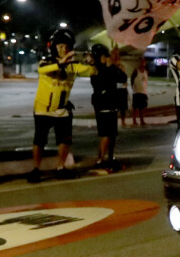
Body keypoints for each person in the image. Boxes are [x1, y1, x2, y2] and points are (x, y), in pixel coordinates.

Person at [29, 28, 96, 182]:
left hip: (62, 110)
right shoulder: (46, 61)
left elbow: (90, 71)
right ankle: (36, 169)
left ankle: (61, 167)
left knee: (64, 140)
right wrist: (60, 63)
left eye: (66, 46)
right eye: (59, 46)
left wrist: (92, 62)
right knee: (39, 140)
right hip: (43, 109)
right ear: (53, 47)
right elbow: (42, 70)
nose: (63, 49)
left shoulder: (72, 66)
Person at [90, 44, 125, 170]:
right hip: (102, 104)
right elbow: (100, 83)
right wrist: (110, 67)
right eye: (105, 56)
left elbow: (122, 78)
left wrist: (114, 66)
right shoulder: (95, 70)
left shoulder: (110, 68)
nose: (107, 58)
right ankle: (100, 159)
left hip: (111, 103)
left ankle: (110, 157)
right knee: (105, 133)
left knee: (112, 134)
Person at [130, 58, 149, 127]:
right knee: (135, 107)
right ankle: (134, 121)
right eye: (141, 62)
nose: (142, 64)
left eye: (144, 62)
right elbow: (132, 79)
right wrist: (133, 88)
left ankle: (142, 121)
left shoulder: (146, 71)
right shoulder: (136, 71)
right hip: (136, 92)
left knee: (142, 107)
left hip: (143, 91)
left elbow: (146, 81)